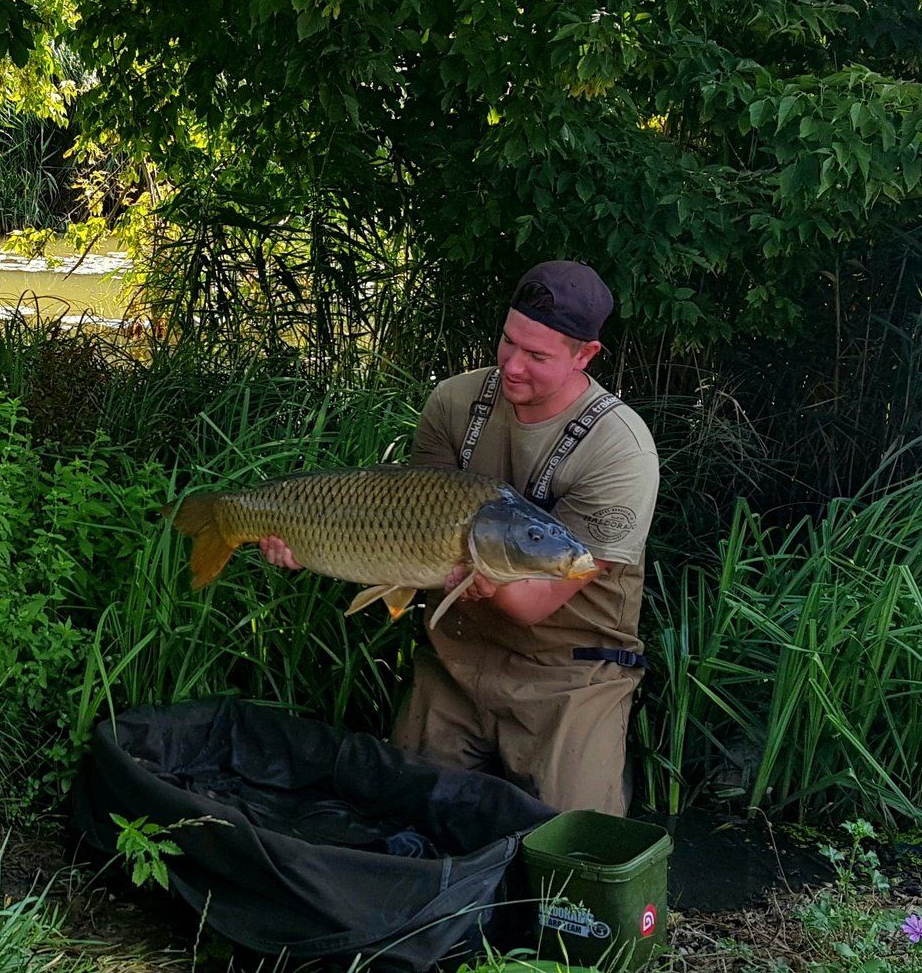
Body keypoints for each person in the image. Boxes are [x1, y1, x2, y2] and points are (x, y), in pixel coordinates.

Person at [262, 260, 658, 814]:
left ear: (584, 355)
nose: (512, 366)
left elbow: (535, 603)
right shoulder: (454, 402)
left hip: (568, 673)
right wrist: (314, 540)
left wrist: (481, 579)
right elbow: (400, 531)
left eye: (537, 356)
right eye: (507, 341)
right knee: (399, 818)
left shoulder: (618, 452)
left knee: (572, 849)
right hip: (456, 653)